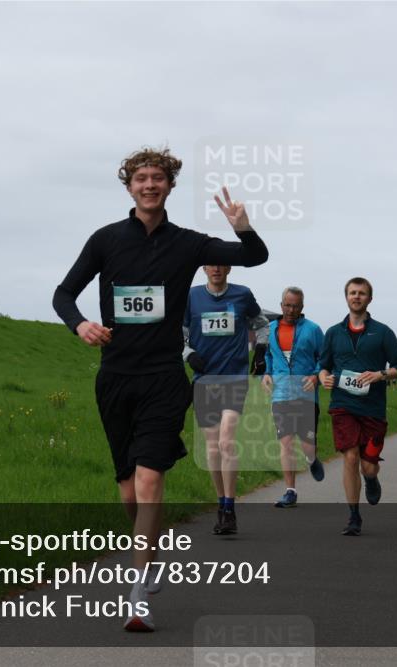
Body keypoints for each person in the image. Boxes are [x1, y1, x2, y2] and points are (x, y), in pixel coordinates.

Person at [52, 147, 268, 632]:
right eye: (141, 178)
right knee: (129, 489)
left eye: (158, 178)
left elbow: (255, 256)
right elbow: (63, 294)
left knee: (150, 481)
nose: (149, 185)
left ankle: (137, 596)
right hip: (115, 377)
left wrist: (243, 227)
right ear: (129, 186)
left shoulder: (188, 244)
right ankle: (148, 554)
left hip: (165, 379)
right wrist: (80, 324)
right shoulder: (105, 240)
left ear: (170, 186)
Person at [184, 265, 268, 535]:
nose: (217, 269)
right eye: (211, 264)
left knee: (226, 441)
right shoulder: (192, 296)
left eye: (221, 264)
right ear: (204, 268)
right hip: (204, 380)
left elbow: (262, 324)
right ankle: (221, 503)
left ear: (229, 267)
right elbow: (178, 332)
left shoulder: (242, 294)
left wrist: (261, 350)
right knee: (212, 448)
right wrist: (187, 354)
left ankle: (230, 508)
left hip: (234, 378)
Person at [318, 277, 397, 536]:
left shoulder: (383, 332)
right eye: (352, 292)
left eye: (362, 293)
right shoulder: (333, 332)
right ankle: (354, 516)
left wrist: (380, 374)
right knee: (350, 457)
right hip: (343, 405)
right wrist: (324, 378)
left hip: (373, 409)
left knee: (367, 465)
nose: (356, 296)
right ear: (346, 297)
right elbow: (323, 366)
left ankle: (370, 478)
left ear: (370, 298)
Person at [261, 286, 326, 508]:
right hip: (280, 394)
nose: (291, 310)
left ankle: (311, 458)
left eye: (295, 306)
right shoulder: (270, 329)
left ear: (302, 307)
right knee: (286, 442)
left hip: (306, 394)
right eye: (287, 305)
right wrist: (267, 373)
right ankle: (290, 491)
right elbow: (267, 355)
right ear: (281, 305)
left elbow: (325, 358)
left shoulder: (313, 330)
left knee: (307, 444)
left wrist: (316, 376)